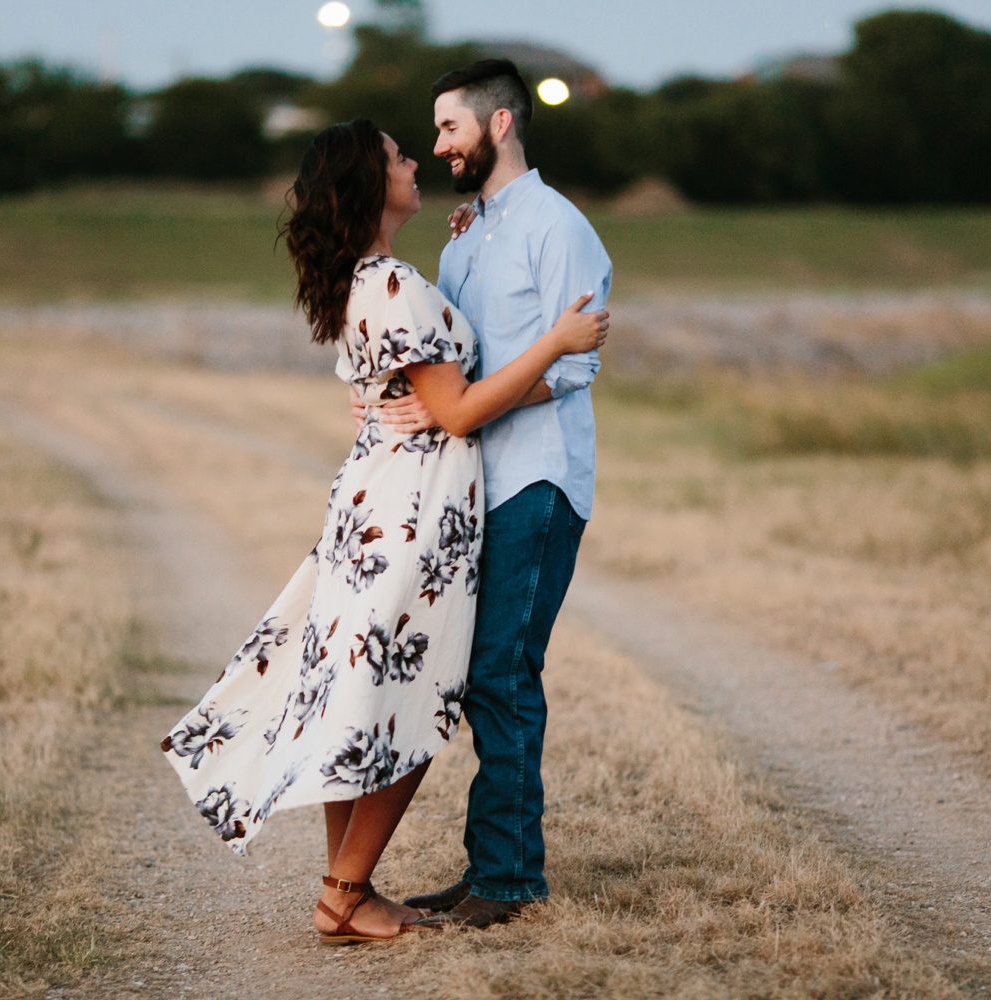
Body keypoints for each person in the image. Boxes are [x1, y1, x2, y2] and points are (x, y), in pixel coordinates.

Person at [159, 117, 608, 945]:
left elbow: (399, 392)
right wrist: (558, 344)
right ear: (373, 185)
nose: (416, 160)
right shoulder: (394, 284)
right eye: (401, 155)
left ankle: (347, 892)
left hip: (374, 505)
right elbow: (460, 411)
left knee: (359, 698)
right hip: (411, 519)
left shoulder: (368, 280)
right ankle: (345, 892)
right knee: (411, 699)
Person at [376, 59, 614, 930]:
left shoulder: (558, 227)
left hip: (537, 479)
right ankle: (492, 867)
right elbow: (460, 366)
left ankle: (511, 882)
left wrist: (467, 416)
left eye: (449, 128)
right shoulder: (463, 236)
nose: (439, 145)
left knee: (503, 674)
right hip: (477, 485)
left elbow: (574, 366)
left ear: (500, 124)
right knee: (479, 677)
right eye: (435, 133)